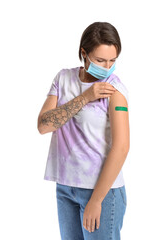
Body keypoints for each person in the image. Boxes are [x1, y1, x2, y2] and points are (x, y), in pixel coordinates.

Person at [37, 21, 130, 240]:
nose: (106, 68)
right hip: (65, 187)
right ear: (84, 53)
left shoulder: (114, 90)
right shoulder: (63, 79)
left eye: (112, 61)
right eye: (100, 60)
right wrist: (86, 97)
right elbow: (44, 125)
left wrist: (96, 200)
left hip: (101, 191)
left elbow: (122, 146)